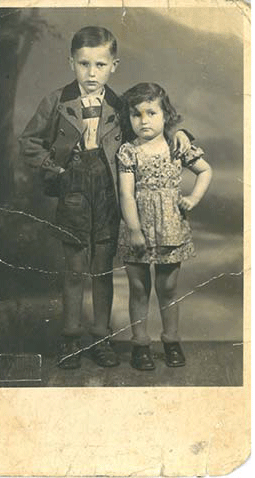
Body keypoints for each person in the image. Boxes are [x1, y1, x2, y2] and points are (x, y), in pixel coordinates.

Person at [19, 27, 192, 369]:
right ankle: (70, 339)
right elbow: (29, 143)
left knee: (102, 270)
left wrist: (180, 131)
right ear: (71, 63)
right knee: (73, 271)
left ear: (114, 65)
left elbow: (151, 123)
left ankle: (101, 338)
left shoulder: (119, 105)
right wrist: (57, 171)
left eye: (100, 64)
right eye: (84, 64)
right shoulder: (56, 101)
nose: (92, 73)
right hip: (73, 192)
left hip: (109, 193)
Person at [117, 82, 212, 371]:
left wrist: (193, 198)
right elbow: (125, 193)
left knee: (168, 287)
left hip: (171, 227)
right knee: (138, 287)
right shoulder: (127, 151)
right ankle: (140, 344)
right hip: (139, 226)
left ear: (165, 115)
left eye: (151, 113)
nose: (143, 121)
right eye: (136, 115)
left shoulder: (176, 145)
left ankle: (171, 341)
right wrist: (134, 229)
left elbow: (205, 170)